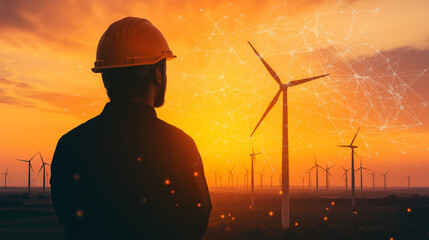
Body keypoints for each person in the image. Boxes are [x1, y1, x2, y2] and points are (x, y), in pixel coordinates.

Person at [50, 17, 212, 240]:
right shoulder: (180, 147)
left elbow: (66, 214)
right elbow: (197, 220)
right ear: (157, 73)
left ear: (105, 76)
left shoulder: (69, 146)